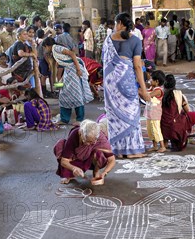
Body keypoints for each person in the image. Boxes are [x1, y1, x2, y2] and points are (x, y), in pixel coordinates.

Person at [102, 11, 150, 159]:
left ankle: (118, 149)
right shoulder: (135, 40)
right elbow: (137, 67)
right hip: (126, 82)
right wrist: (143, 89)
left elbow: (105, 62)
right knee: (131, 114)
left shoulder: (108, 40)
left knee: (115, 116)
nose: (115, 26)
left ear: (120, 23)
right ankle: (132, 151)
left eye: (116, 23)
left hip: (111, 85)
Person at [42, 36, 93, 125]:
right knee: (63, 92)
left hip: (75, 69)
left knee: (76, 94)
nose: (45, 50)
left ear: (47, 45)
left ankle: (79, 119)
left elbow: (72, 54)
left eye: (44, 47)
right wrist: (59, 82)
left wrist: (78, 69)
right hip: (70, 70)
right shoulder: (54, 51)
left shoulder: (56, 48)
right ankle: (64, 119)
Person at [54, 119, 115, 185]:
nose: (91, 143)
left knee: (98, 153)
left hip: (90, 157)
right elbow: (64, 161)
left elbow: (112, 160)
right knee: (59, 146)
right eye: (88, 141)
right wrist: (74, 168)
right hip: (76, 157)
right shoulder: (75, 134)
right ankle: (69, 174)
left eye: (94, 141)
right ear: (81, 134)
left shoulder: (100, 138)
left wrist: (104, 173)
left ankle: (96, 170)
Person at [161, 74, 195, 151]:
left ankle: (165, 143)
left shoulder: (160, 93)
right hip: (175, 125)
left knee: (164, 117)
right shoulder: (179, 94)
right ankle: (179, 135)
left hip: (162, 125)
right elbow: (187, 110)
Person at [144, 70, 166, 153]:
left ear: (156, 81)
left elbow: (148, 96)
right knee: (150, 130)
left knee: (156, 129)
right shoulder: (152, 88)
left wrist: (140, 91)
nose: (150, 81)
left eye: (151, 79)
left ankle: (162, 146)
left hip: (155, 113)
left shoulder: (158, 90)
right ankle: (155, 145)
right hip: (149, 112)